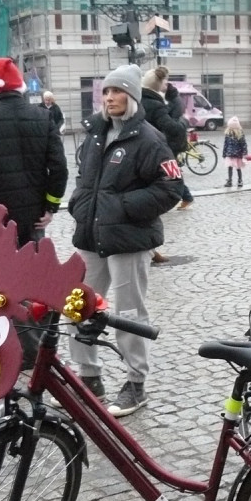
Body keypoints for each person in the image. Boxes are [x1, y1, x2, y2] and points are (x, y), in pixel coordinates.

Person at [66, 64, 183, 416]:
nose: (109, 97)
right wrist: (79, 204)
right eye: (105, 92)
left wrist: (122, 207)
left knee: (129, 312)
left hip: (129, 240)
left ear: (132, 96)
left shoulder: (149, 139)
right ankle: (88, 377)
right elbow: (85, 180)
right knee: (78, 305)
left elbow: (171, 188)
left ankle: (136, 382)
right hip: (90, 236)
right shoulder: (95, 135)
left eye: (116, 91)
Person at [0, 58, 69, 368]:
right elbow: (60, 169)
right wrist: (50, 205)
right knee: (37, 282)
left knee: (6, 286)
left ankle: (23, 351)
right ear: (19, 86)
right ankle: (44, 345)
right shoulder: (42, 117)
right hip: (34, 217)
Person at [141, 66, 189, 228]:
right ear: (158, 84)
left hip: (142, 147)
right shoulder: (156, 105)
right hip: (156, 147)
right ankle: (181, 196)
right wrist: (184, 121)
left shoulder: (137, 100)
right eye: (164, 81)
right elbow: (172, 127)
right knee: (169, 174)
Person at [164, 82, 194, 210]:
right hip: (174, 141)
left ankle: (186, 196)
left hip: (172, 142)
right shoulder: (176, 100)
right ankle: (184, 197)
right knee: (170, 171)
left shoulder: (172, 102)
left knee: (171, 171)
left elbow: (168, 119)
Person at [222, 116, 248, 187]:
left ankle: (230, 181)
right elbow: (244, 144)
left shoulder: (229, 134)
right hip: (237, 154)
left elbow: (226, 144)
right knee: (238, 168)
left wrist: (224, 153)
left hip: (230, 154)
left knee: (230, 167)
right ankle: (240, 180)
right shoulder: (239, 133)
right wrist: (244, 152)